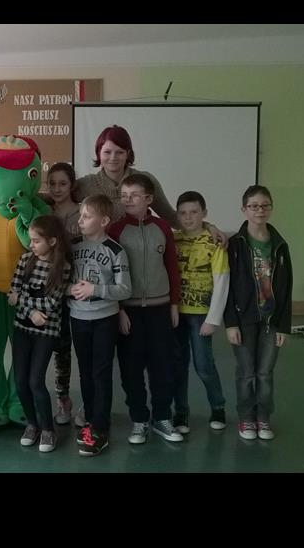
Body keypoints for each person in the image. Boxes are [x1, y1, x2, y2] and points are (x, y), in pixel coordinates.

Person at [109, 173, 184, 445]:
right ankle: (139, 420)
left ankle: (162, 417)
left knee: (162, 365)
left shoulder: (162, 227)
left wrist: (173, 303)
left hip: (160, 309)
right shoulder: (115, 230)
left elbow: (172, 266)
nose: (127, 200)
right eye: (124, 196)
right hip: (129, 312)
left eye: (134, 196)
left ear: (149, 199)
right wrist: (119, 310)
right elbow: (110, 273)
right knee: (131, 368)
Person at [74, 124, 227, 245]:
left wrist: (207, 227)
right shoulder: (86, 184)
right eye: (107, 152)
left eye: (119, 152)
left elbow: (172, 218)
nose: (113, 157)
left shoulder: (145, 180)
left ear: (128, 153)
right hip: (100, 261)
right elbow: (61, 204)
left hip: (140, 257)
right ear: (98, 153)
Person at [224, 185, 292, 441]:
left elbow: (287, 287)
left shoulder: (280, 245)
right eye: (254, 206)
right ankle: (246, 418)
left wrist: (284, 325)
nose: (260, 210)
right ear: (244, 209)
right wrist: (230, 323)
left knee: (265, 373)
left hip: (271, 320)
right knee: (246, 373)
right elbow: (227, 287)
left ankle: (263, 418)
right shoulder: (235, 245)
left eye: (265, 205)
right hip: (244, 320)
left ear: (271, 208)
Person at [69, 194, 132, 456]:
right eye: (81, 215)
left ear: (104, 221)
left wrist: (95, 289)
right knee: (85, 372)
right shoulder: (72, 246)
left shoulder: (116, 250)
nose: (80, 221)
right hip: (78, 318)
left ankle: (100, 429)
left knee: (101, 373)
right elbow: (60, 280)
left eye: (87, 216)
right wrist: (70, 290)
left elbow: (125, 289)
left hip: (105, 319)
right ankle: (91, 418)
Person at [9, 215, 71, 453]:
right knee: (20, 381)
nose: (31, 245)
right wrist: (32, 311)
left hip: (47, 331)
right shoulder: (25, 259)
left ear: (52, 241)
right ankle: (32, 424)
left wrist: (24, 303)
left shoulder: (63, 267)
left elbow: (52, 302)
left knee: (36, 381)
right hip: (23, 328)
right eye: (30, 240)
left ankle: (48, 429)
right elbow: (12, 293)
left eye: (36, 241)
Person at [172, 191, 229, 434]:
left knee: (204, 365)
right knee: (177, 365)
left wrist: (213, 319)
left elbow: (222, 280)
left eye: (194, 212)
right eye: (183, 213)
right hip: (176, 314)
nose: (188, 217)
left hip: (201, 315)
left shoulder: (214, 242)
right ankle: (181, 412)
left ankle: (218, 407)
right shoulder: (172, 239)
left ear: (204, 213)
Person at [46, 162, 79, 425]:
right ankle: (60, 398)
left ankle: (70, 401)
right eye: (52, 183)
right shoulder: (43, 211)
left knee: (71, 349)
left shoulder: (82, 212)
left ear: (72, 185)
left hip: (78, 290)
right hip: (49, 291)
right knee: (56, 347)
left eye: (63, 183)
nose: (57, 189)